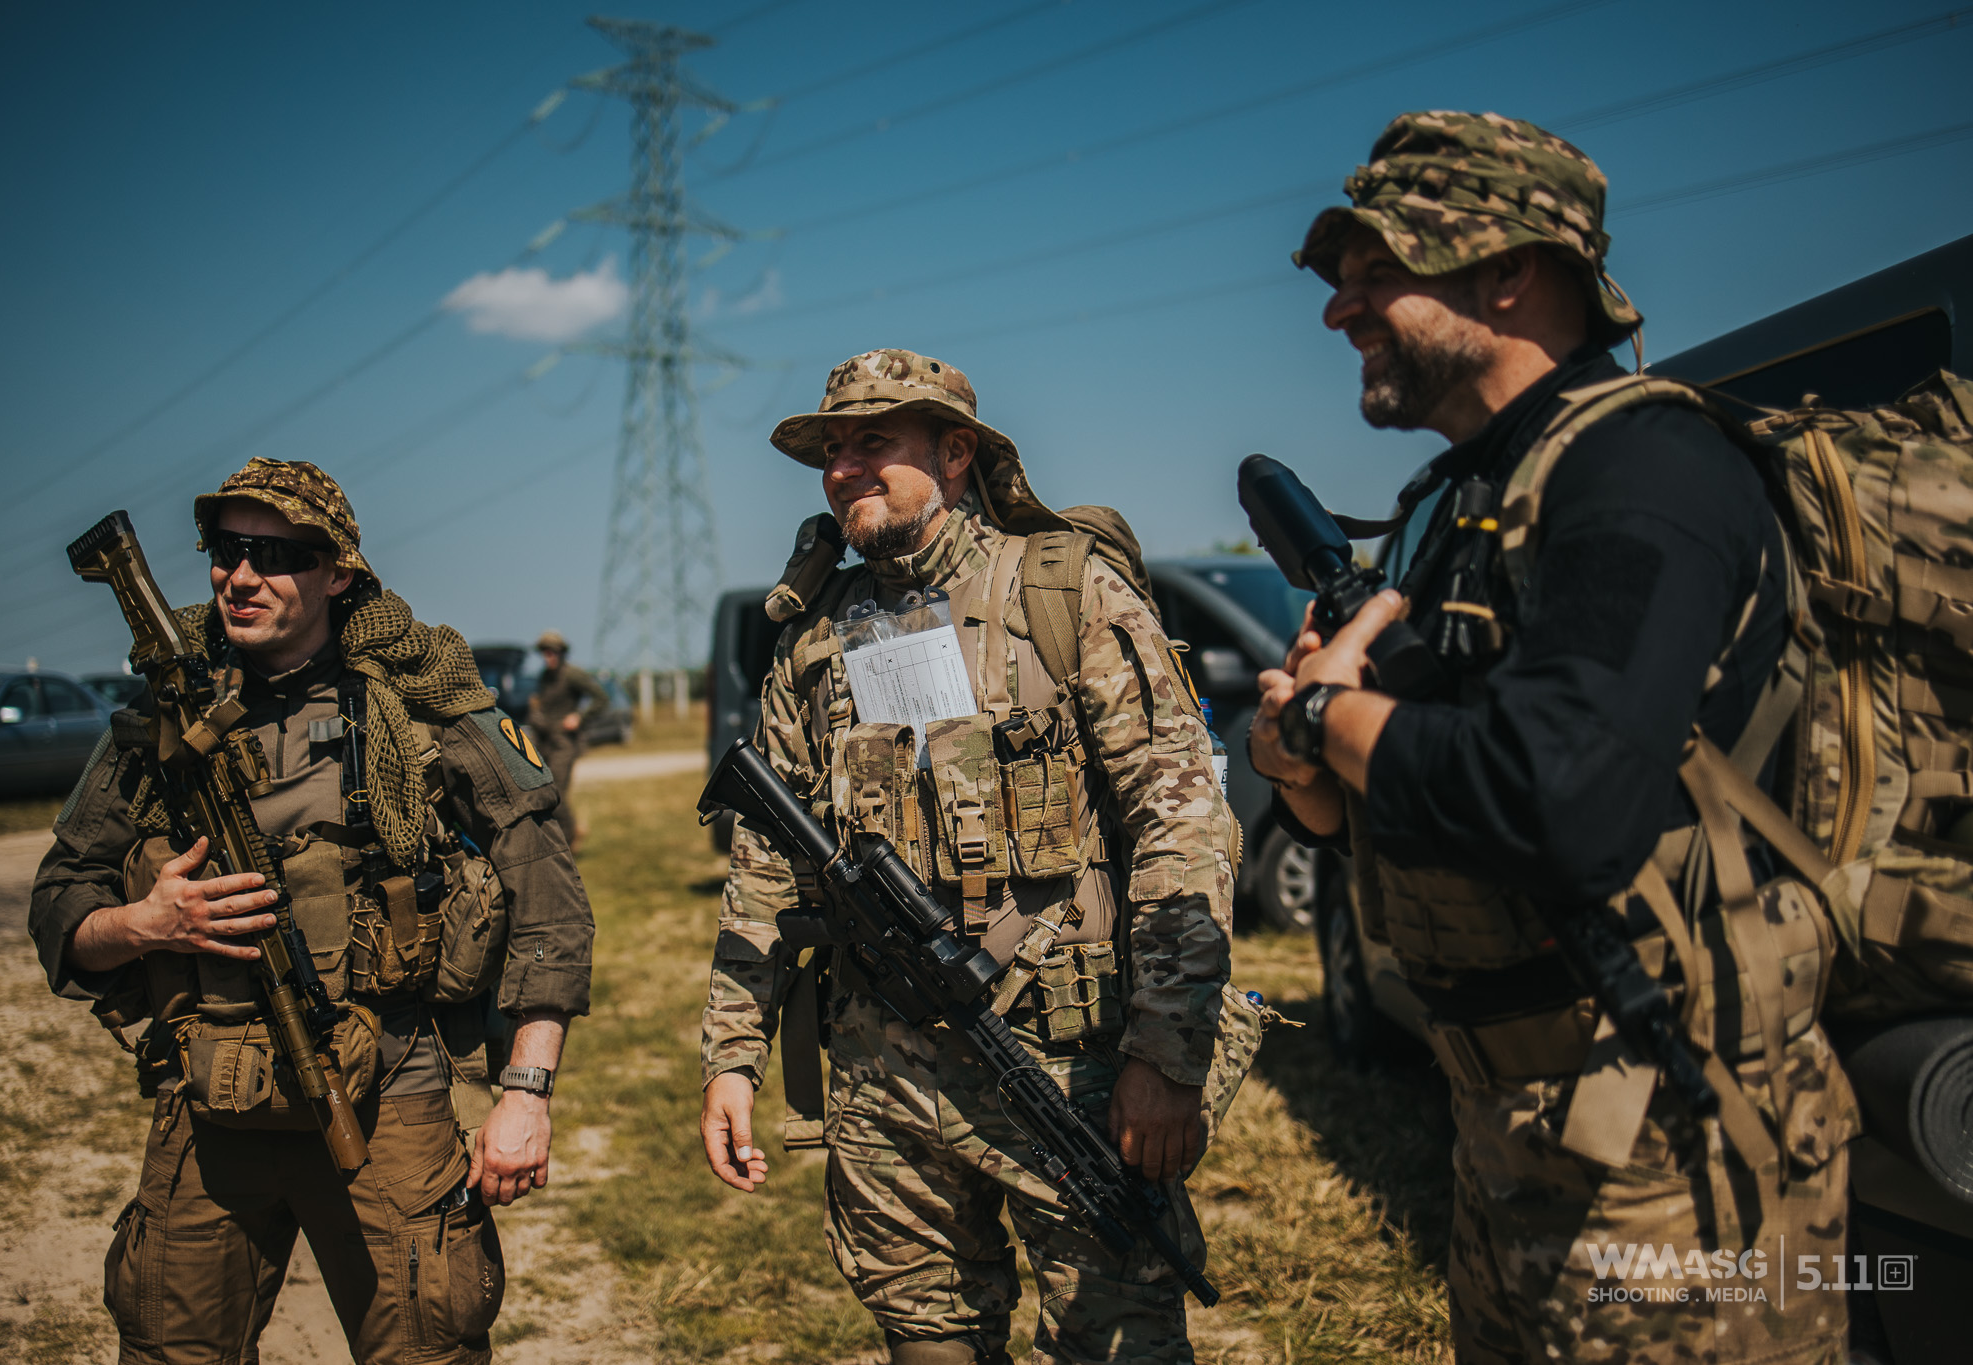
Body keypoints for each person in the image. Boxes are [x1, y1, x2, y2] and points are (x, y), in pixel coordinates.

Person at [1251, 111, 1858, 1365]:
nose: (1339, 314)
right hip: (1509, 1124)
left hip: (1674, 1157)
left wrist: (1329, 712)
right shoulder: (1458, 500)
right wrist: (1303, 755)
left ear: (1506, 272)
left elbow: (1557, 803)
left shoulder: (1641, 472)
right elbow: (1368, 802)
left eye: (1378, 276)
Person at [697, 349, 1235, 1365]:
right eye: (831, 449)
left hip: (1063, 1062)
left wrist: (1165, 1053)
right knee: (925, 1339)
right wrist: (731, 1054)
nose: (846, 468)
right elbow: (765, 865)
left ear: (955, 454)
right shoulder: (815, 638)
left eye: (874, 443)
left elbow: (1180, 823)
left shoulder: (1064, 591)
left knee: (1113, 1340)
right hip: (880, 1075)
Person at [31, 458, 596, 1365]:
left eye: (274, 553)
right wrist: (143, 924)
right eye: (225, 548)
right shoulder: (165, 714)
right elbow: (61, 898)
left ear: (339, 571)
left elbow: (550, 899)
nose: (239, 575)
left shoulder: (421, 703)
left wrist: (525, 1090)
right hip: (207, 1105)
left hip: (388, 1104)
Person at [525, 629, 611, 847]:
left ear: (562, 653)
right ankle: (565, 834)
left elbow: (601, 698)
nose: (549, 656)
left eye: (552, 652)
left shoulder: (573, 674)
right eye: (545, 652)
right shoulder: (545, 677)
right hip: (544, 741)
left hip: (565, 742)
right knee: (542, 790)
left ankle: (569, 839)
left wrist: (579, 717)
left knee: (556, 793)